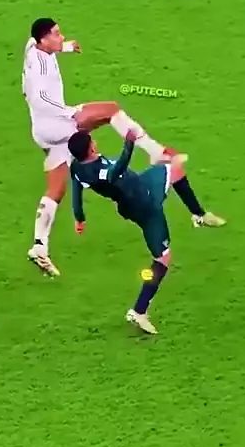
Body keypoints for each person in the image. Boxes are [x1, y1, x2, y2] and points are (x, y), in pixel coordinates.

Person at [22, 18, 179, 276]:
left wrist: (66, 47)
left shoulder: (33, 47)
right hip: (55, 123)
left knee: (56, 188)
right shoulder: (39, 67)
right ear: (43, 39)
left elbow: (30, 82)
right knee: (111, 110)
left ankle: (40, 245)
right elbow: (39, 97)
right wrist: (68, 113)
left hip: (41, 131)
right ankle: (155, 153)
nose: (61, 36)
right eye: (57, 34)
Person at [67, 129, 225, 335]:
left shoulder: (77, 167)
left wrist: (79, 218)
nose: (95, 142)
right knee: (163, 258)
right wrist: (129, 144)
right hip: (144, 204)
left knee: (175, 168)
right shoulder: (99, 172)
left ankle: (199, 215)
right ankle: (139, 311)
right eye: (92, 141)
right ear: (90, 149)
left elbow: (76, 191)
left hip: (140, 185)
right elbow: (116, 171)